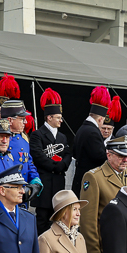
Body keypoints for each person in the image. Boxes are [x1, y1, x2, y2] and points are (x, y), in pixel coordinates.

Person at [29, 95, 72, 235]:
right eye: (58, 117)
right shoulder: (37, 135)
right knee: (42, 219)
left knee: (57, 217)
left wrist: (63, 165)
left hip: (58, 181)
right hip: (45, 181)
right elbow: (38, 155)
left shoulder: (62, 137)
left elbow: (67, 154)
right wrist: (55, 166)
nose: (61, 120)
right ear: (49, 118)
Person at [71, 99, 109, 196]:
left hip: (79, 176)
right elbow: (99, 156)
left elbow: (74, 153)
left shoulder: (82, 129)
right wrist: (110, 154)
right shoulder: (92, 132)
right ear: (100, 119)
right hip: (89, 178)